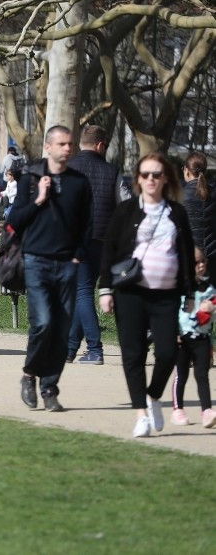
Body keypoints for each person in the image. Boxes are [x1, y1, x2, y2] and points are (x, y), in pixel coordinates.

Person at [99, 152, 196, 438]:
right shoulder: (126, 210)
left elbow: (187, 255)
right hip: (130, 293)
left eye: (156, 174)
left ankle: (154, 396)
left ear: (165, 178)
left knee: (167, 353)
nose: (151, 179)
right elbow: (110, 250)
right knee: (134, 354)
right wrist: (105, 289)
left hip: (166, 296)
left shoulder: (176, 212)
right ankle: (140, 413)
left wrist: (190, 292)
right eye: (145, 175)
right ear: (138, 180)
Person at [7, 126, 93, 413]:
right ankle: (29, 374)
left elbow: (86, 224)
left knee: (62, 329)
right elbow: (16, 221)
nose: (67, 149)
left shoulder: (79, 182)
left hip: (67, 264)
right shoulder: (30, 179)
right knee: (43, 323)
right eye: (62, 144)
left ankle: (49, 388)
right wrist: (39, 199)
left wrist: (79, 255)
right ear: (48, 147)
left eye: (70, 144)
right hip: (36, 261)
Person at [66, 124, 130, 365]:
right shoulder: (112, 171)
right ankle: (71, 348)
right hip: (104, 240)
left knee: (81, 292)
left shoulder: (69, 169)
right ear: (100, 145)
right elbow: (125, 205)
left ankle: (94, 348)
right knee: (83, 291)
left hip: (77, 240)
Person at [171, 246, 216, 429]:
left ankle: (207, 411)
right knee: (180, 375)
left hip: (202, 338)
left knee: (202, 375)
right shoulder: (177, 288)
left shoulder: (209, 289)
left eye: (202, 261)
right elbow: (169, 312)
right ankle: (178, 410)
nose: (200, 266)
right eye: (195, 262)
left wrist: (211, 310)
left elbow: (212, 317)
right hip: (182, 339)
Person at [181, 151, 216, 279]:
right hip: (213, 257)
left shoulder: (180, 196)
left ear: (186, 170)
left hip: (189, 258)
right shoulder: (213, 193)